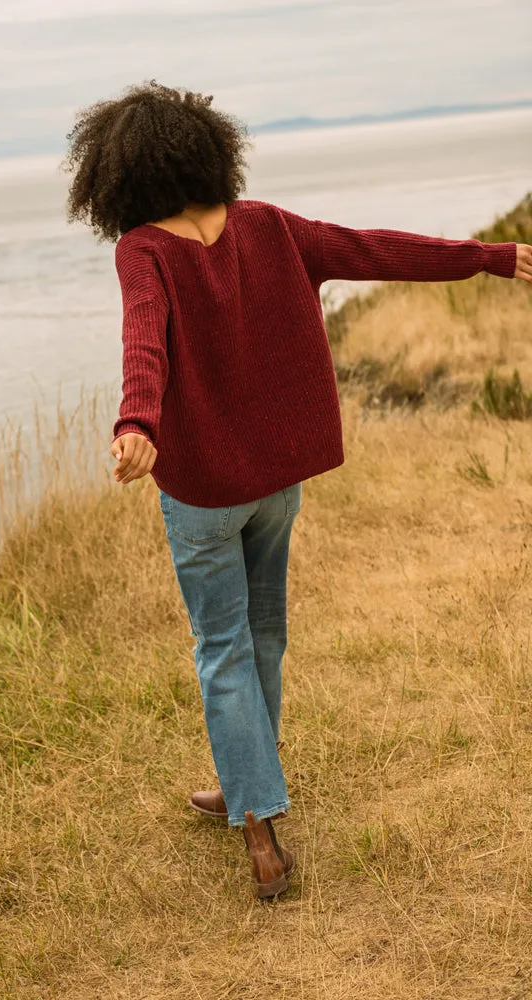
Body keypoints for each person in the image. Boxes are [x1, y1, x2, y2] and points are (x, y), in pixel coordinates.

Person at [59, 79, 532, 900]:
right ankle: (250, 787)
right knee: (263, 636)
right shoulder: (268, 224)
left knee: (224, 649)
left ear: (118, 176)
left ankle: (258, 828)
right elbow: (377, 249)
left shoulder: (142, 249)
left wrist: (137, 424)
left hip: (206, 492)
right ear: (210, 151)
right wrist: (489, 258)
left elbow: (144, 342)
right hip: (278, 481)